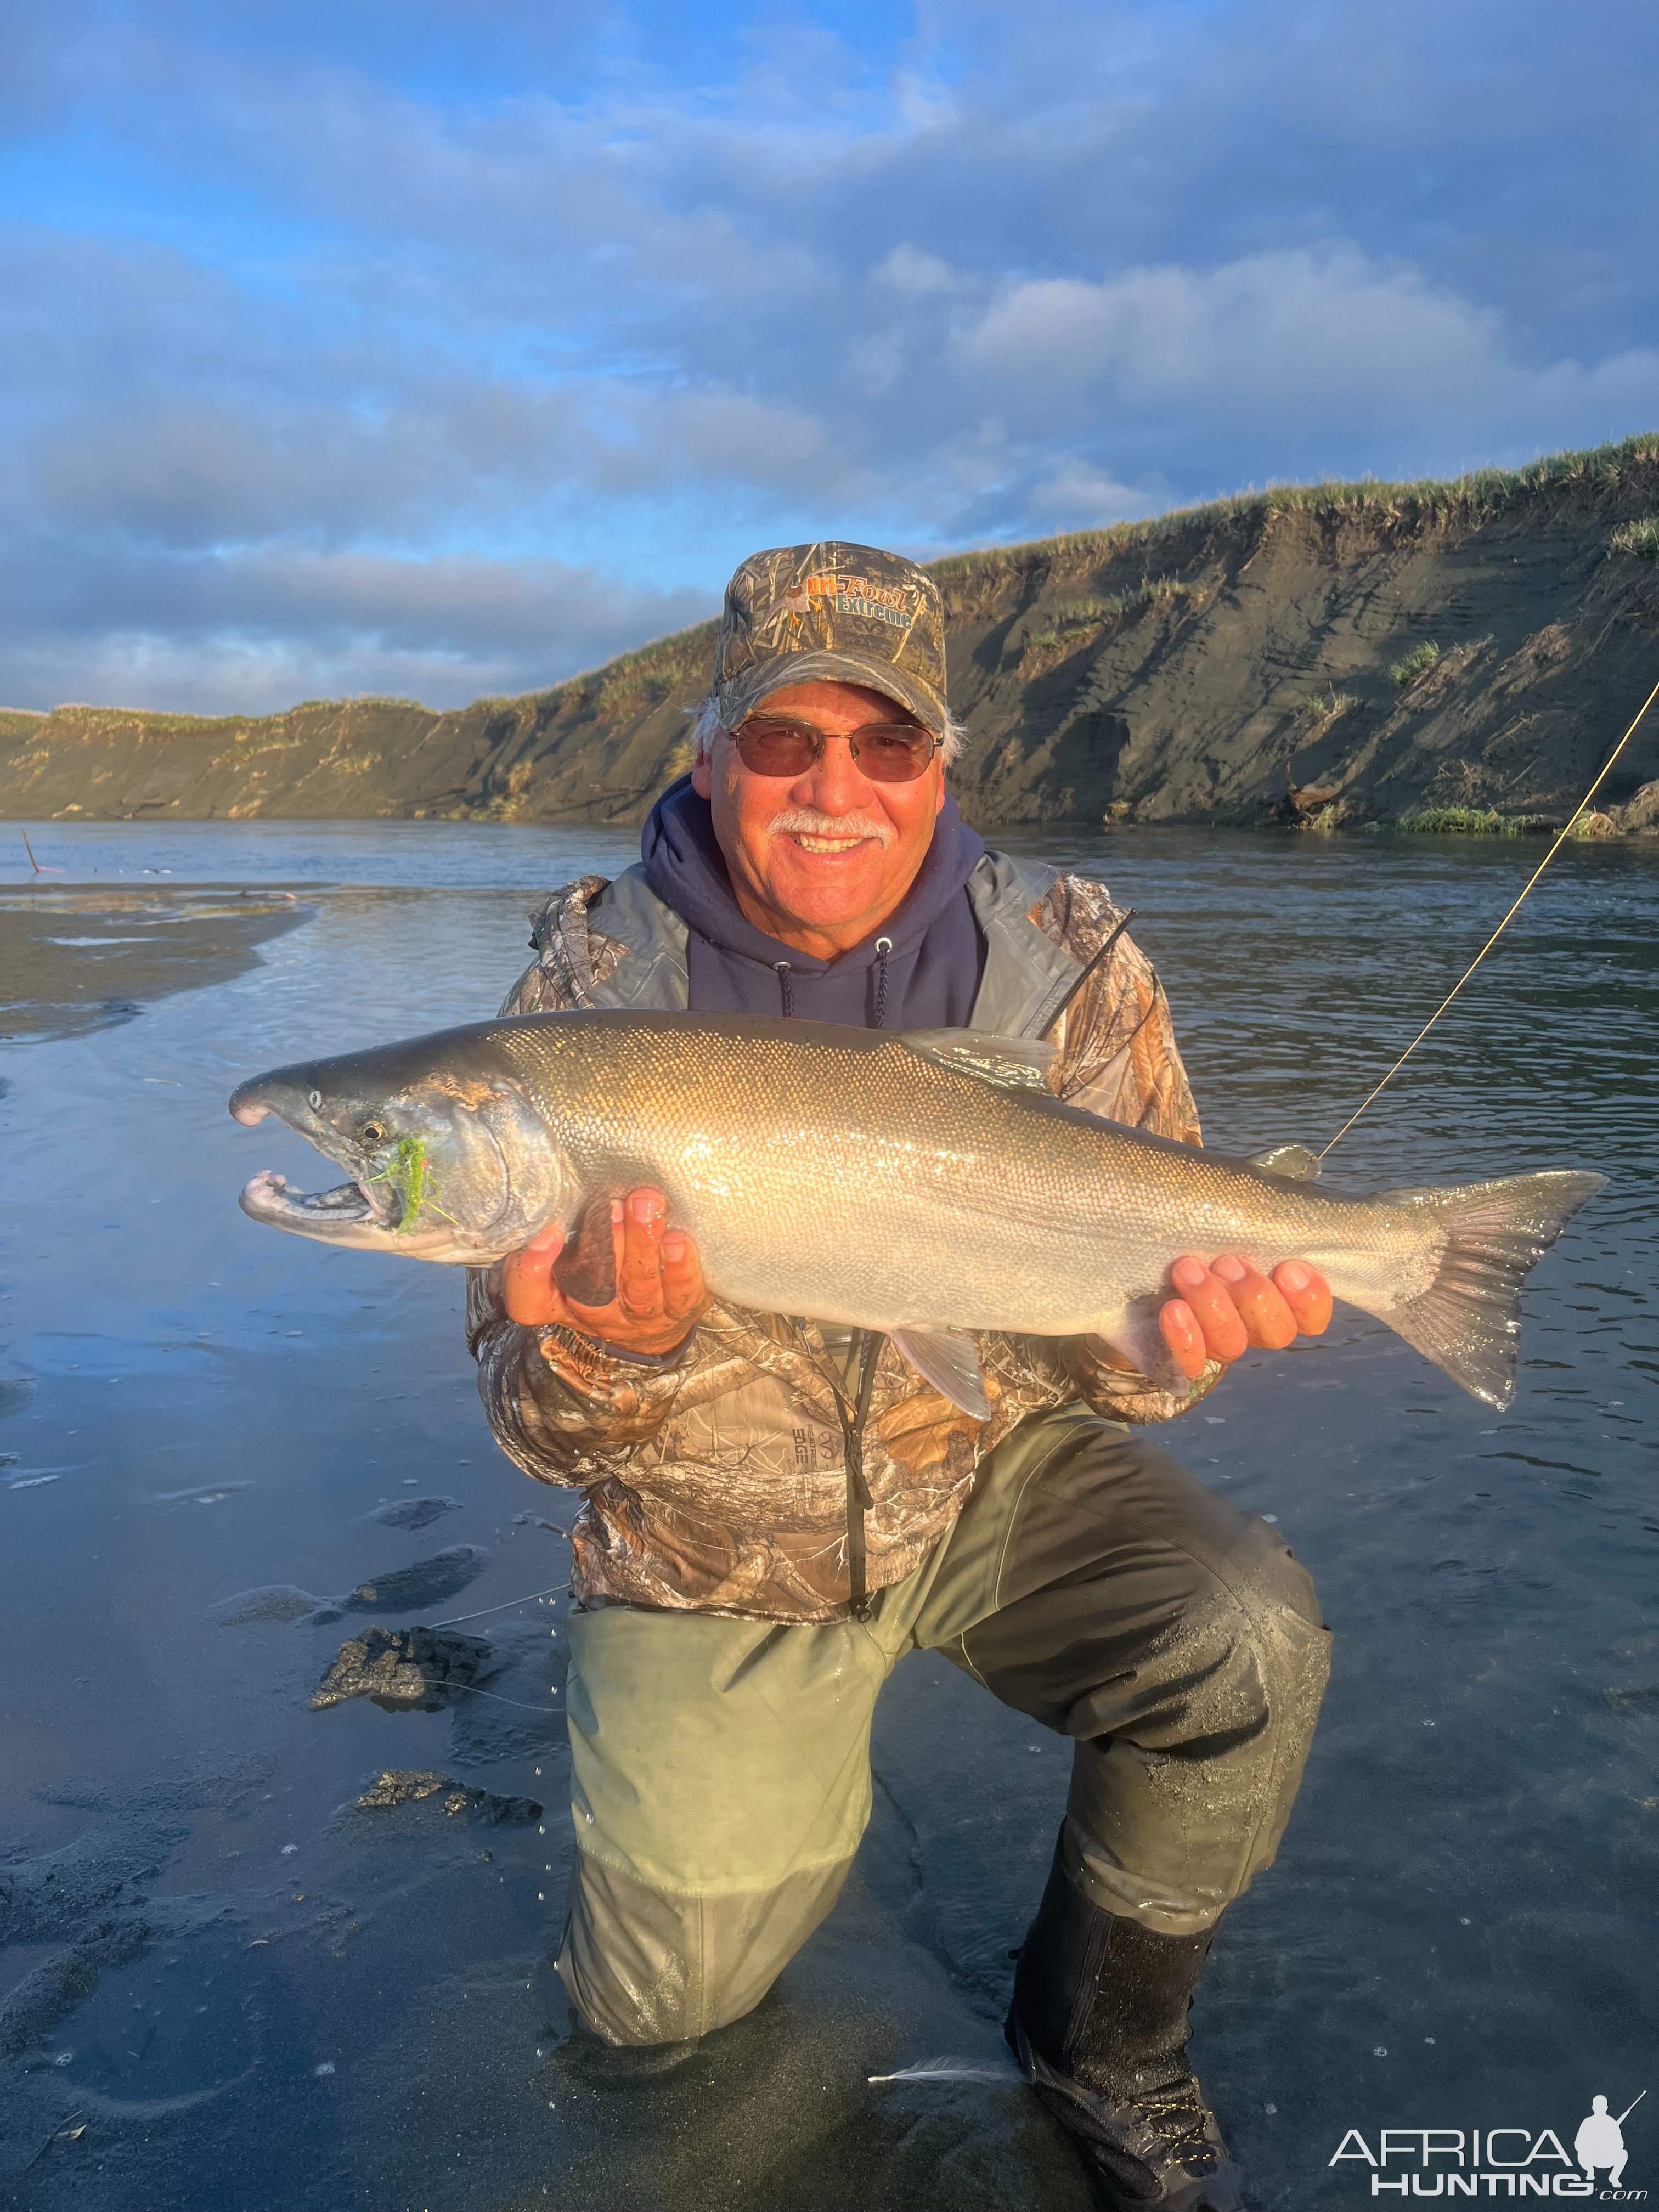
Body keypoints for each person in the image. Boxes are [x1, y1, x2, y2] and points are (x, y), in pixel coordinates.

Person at [467, 542, 1334, 2211]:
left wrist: (1171, 1344)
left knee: (1243, 1635)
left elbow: (1130, 1372)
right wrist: (607, 1349)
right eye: (786, 743)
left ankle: (1107, 2047)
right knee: (664, 2029)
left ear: (946, 766)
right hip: (715, 1559)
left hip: (984, 1477)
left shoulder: (1073, 966)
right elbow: (525, 1414)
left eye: (888, 745)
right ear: (712, 754)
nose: (835, 789)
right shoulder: (585, 1006)